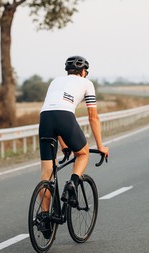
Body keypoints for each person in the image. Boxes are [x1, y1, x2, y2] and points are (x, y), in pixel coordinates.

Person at [38, 55, 109, 213]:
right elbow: (93, 117)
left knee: (46, 175)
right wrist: (100, 146)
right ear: (83, 71)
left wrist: (64, 146)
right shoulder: (87, 83)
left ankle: (44, 218)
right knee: (83, 154)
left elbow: (54, 112)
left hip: (45, 118)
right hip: (65, 117)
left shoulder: (55, 82)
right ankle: (72, 183)